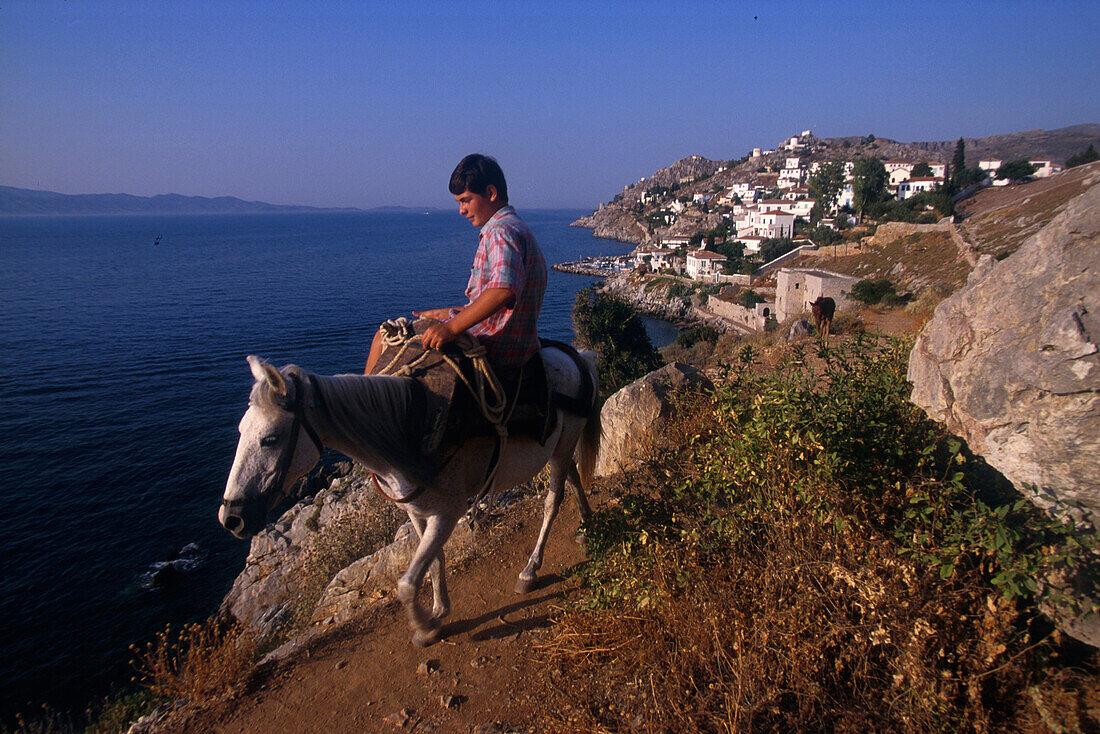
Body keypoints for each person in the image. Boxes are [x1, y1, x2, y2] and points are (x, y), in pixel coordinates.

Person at [365, 154, 547, 376]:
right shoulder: (517, 226)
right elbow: (505, 307)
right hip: (518, 344)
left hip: (494, 348)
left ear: (491, 193)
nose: (461, 210)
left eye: (466, 200)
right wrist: (448, 313)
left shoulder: (500, 232)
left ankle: (361, 411)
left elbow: (503, 290)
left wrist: (450, 327)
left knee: (382, 339)